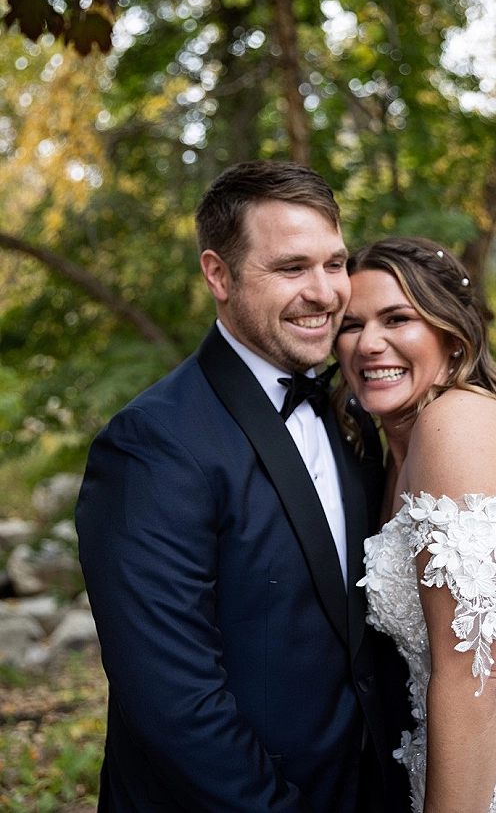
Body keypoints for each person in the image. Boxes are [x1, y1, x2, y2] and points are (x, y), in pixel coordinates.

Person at [75, 160, 412, 813]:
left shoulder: (349, 410)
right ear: (218, 275)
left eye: (334, 263)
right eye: (291, 269)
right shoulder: (150, 446)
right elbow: (174, 703)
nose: (324, 293)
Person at [335, 236, 496, 813]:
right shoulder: (389, 452)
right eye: (351, 325)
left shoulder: (457, 425)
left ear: (451, 336)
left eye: (397, 318)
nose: (370, 343)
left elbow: (479, 677)